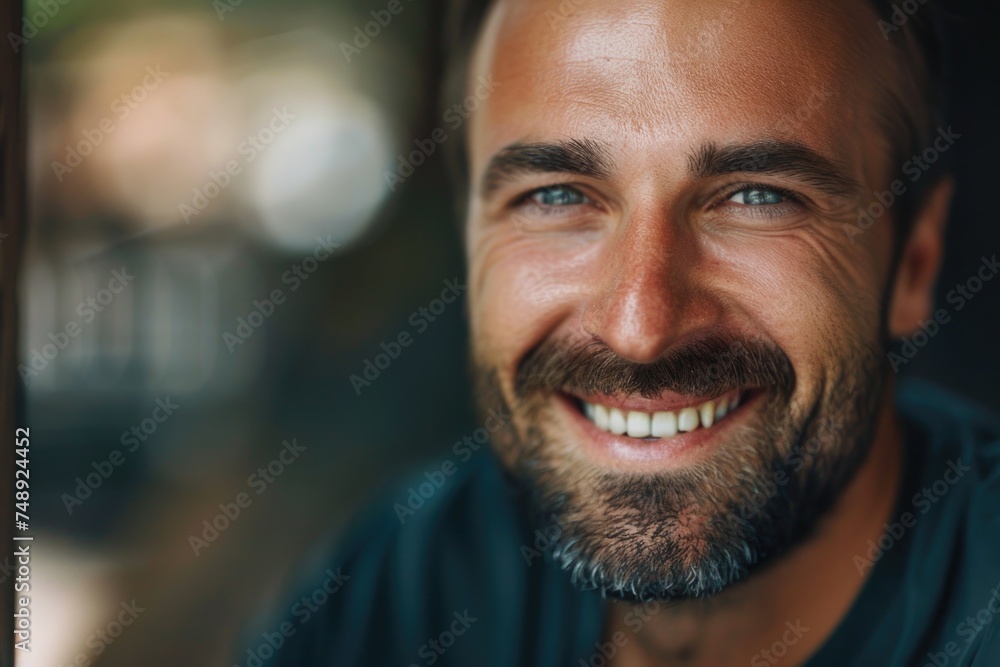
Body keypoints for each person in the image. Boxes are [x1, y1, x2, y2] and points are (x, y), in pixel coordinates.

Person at [239, 0, 1000, 664]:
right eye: (558, 195)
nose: (640, 327)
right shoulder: (408, 575)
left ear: (913, 264)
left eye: (758, 197)